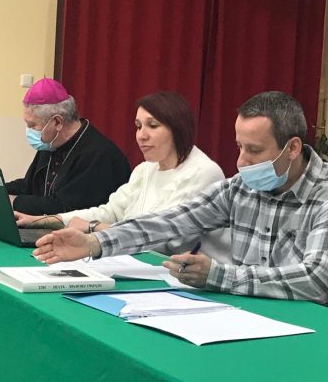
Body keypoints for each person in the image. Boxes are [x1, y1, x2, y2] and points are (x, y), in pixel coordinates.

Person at [33, 91, 328, 316]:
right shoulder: (241, 187)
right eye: (239, 147)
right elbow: (171, 222)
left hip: (325, 330)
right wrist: (95, 242)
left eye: (254, 150)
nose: (241, 162)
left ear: (292, 148)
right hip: (257, 316)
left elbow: (314, 280)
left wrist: (218, 276)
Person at [15, 91, 229, 257]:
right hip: (134, 263)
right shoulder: (146, 169)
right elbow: (110, 211)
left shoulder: (203, 172)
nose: (141, 136)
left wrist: (94, 228)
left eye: (152, 126)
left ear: (178, 128)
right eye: (138, 126)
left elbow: (167, 239)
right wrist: (43, 220)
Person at [0, 78, 131, 214]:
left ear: (57, 122)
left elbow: (65, 207)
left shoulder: (98, 155)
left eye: (32, 125)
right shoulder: (52, 143)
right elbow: (28, 186)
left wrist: (8, 201)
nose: (29, 131)